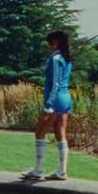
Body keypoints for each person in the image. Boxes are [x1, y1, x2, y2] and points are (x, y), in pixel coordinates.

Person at [21, 30, 72, 181]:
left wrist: (48, 104)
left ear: (55, 43)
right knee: (60, 133)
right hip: (66, 98)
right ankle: (61, 171)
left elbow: (55, 83)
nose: (48, 47)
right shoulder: (67, 58)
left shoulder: (56, 59)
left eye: (49, 44)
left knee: (40, 132)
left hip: (55, 99)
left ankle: (38, 170)